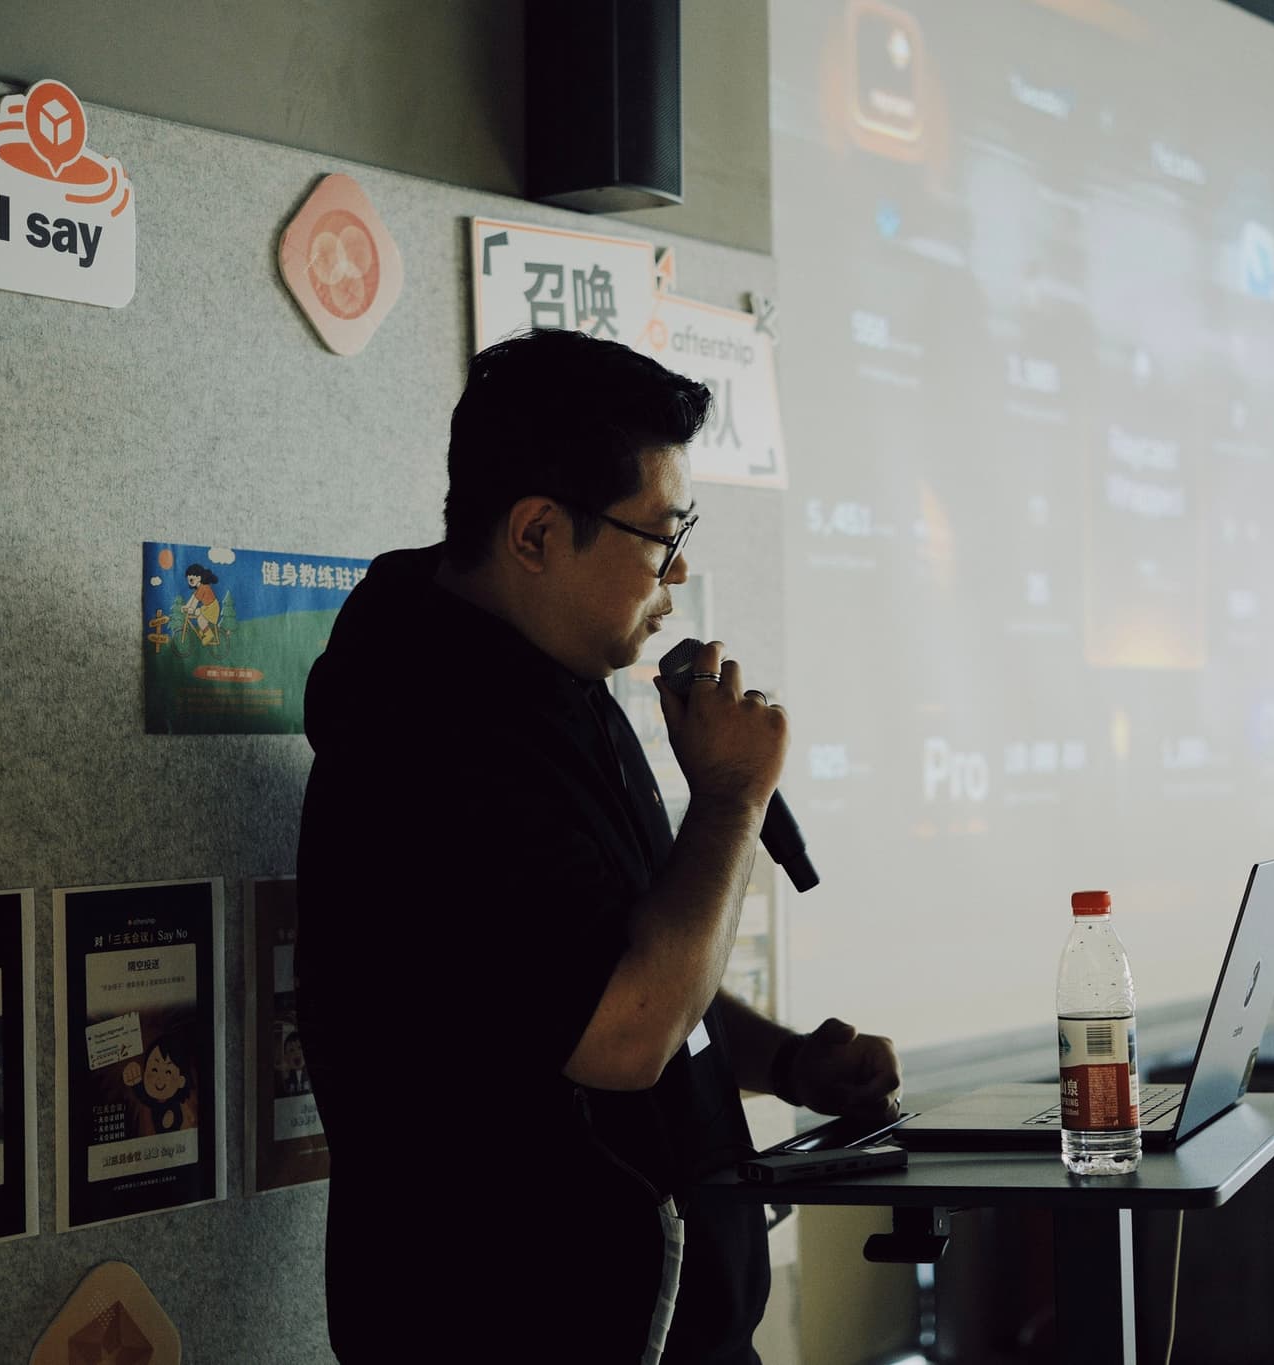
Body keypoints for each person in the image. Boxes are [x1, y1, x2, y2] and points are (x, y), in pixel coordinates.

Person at [297, 328, 902, 1364]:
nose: (678, 569)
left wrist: (785, 1062)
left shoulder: (559, 687)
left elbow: (635, 964)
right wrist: (731, 798)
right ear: (535, 534)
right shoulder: (434, 731)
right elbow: (618, 1035)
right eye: (660, 535)